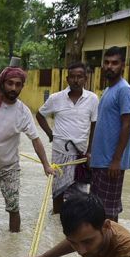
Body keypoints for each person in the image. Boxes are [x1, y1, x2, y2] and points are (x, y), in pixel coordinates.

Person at [0, 65, 55, 232]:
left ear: (22, 87)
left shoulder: (23, 112)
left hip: (10, 168)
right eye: (10, 83)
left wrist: (46, 165)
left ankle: (14, 240)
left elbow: (36, 140)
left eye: (18, 84)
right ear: (2, 83)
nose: (13, 88)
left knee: (13, 207)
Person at [36, 62, 98, 214]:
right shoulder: (55, 98)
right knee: (58, 191)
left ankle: (75, 222)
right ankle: (57, 218)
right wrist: (50, 134)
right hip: (59, 153)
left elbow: (94, 125)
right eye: (73, 77)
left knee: (81, 195)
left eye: (80, 77)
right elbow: (40, 115)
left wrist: (90, 152)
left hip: (81, 154)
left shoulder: (93, 99)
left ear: (86, 79)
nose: (76, 80)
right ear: (67, 79)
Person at [87, 46, 130, 222]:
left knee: (108, 213)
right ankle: (101, 249)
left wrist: (116, 160)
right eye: (106, 63)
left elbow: (127, 124)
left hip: (111, 164)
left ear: (123, 65)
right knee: (97, 210)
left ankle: (113, 248)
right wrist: (92, 153)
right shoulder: (108, 91)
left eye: (114, 63)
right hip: (101, 162)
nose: (109, 66)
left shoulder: (124, 90)